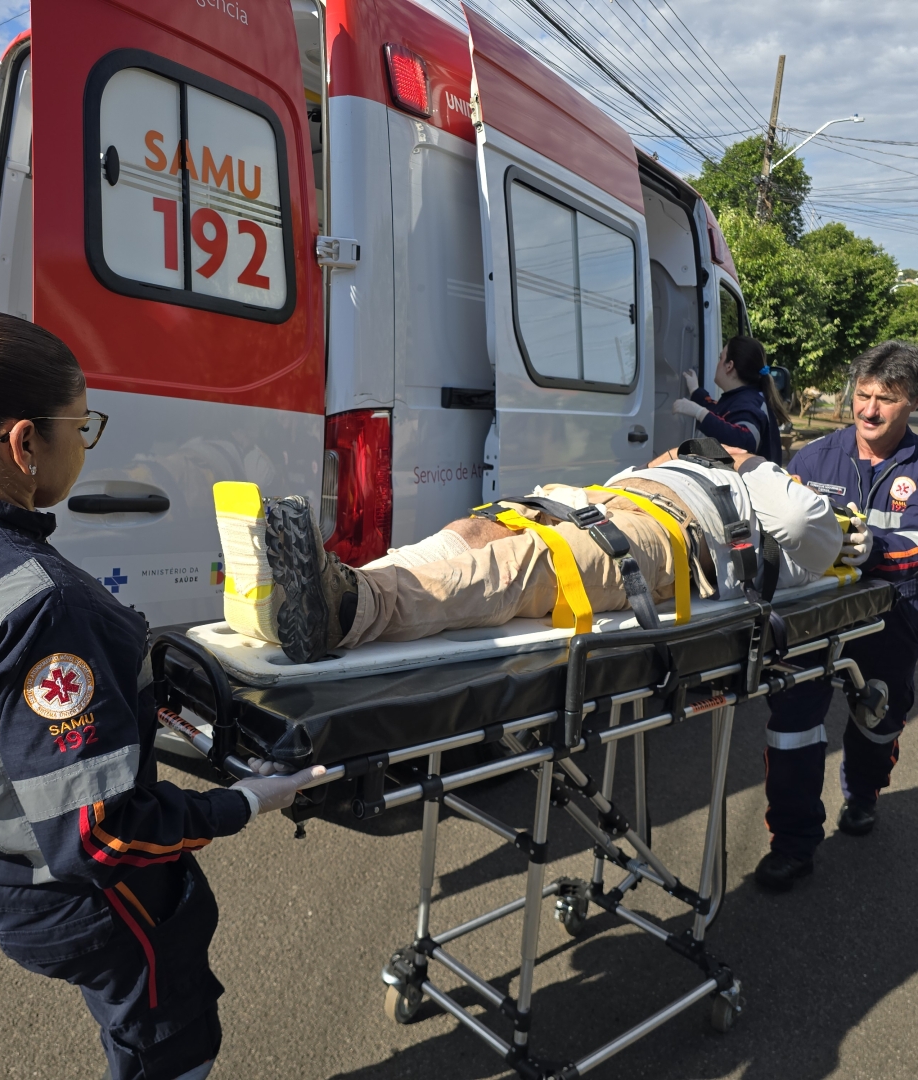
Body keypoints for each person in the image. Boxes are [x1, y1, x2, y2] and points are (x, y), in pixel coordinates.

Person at [0, 302, 323, 1080]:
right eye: (82, 427)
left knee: (125, 1021)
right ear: (24, 443)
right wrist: (244, 803)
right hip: (80, 899)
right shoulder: (44, 606)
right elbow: (102, 836)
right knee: (167, 1042)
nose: (86, 444)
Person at [214, 439, 845, 664]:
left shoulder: (784, 499)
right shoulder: (725, 470)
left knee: (535, 565)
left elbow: (801, 520)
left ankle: (351, 611)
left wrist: (745, 459)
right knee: (472, 533)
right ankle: (317, 590)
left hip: (672, 537)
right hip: (601, 498)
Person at [756, 340, 918, 891]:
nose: (869, 410)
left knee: (879, 718)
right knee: (793, 728)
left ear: (912, 402)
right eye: (863, 395)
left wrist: (877, 548)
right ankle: (793, 843)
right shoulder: (812, 458)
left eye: (886, 399)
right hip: (812, 619)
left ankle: (863, 793)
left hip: (893, 616)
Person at [673, 336, 787, 465]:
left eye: (720, 358)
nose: (718, 363)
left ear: (729, 366)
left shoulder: (750, 403)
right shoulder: (742, 398)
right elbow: (718, 412)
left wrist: (700, 413)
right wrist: (695, 391)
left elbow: (745, 440)